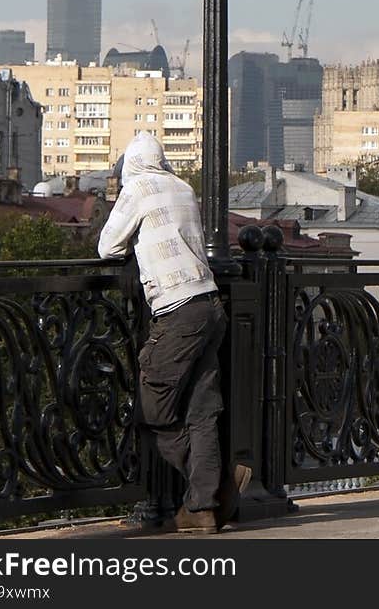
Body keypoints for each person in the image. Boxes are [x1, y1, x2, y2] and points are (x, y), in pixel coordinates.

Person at [98, 131, 249, 532]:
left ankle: (213, 490)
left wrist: (134, 247)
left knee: (151, 412)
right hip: (211, 308)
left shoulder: (138, 188)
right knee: (201, 414)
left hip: (178, 312)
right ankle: (202, 507)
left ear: (131, 165)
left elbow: (107, 247)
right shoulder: (183, 188)